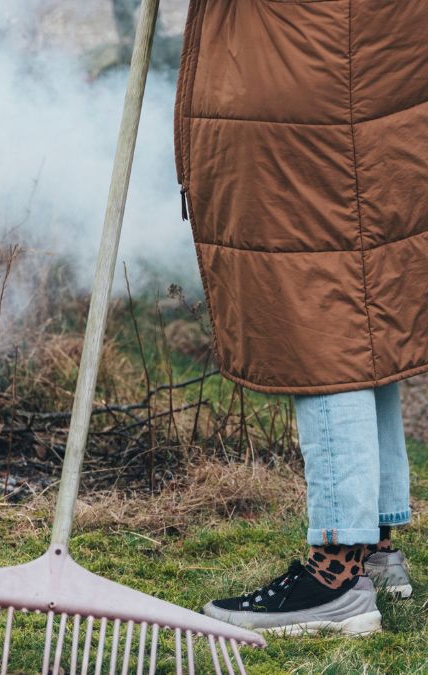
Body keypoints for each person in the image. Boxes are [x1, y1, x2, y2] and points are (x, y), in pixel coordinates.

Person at [173, 0, 428, 636]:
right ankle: (375, 550)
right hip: (371, 61)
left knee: (319, 317)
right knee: (361, 308)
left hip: (301, 76)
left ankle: (336, 573)